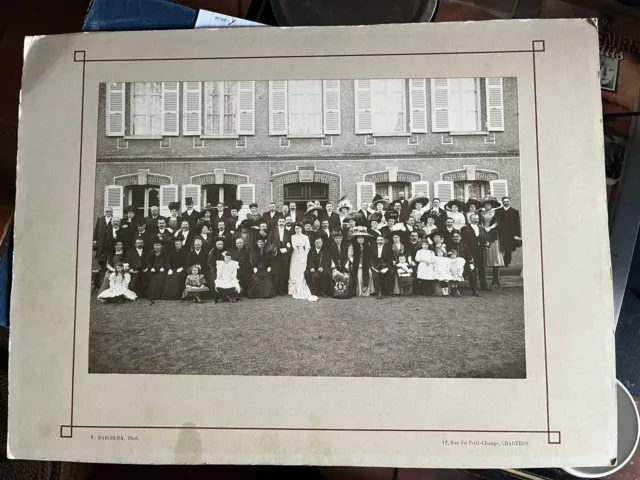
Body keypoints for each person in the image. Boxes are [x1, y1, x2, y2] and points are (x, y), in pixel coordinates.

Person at [287, 223, 318, 301]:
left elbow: (307, 248)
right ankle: (293, 290)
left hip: (303, 254)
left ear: (301, 229)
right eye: (296, 228)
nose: (297, 230)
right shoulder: (292, 237)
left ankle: (301, 289)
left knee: (301, 272)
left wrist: (304, 257)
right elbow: (293, 246)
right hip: (294, 255)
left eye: (299, 228)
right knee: (294, 271)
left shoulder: (305, 237)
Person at [480, 196, 504, 287]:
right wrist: (483, 228)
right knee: (484, 255)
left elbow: (497, 222)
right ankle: (483, 280)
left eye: (488, 204)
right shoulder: (480, 213)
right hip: (483, 233)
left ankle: (495, 279)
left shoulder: (495, 213)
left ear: (491, 205)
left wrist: (490, 228)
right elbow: (479, 221)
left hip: (493, 234)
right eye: (485, 205)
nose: (487, 206)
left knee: (494, 255)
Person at [461, 213, 489, 292]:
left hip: (481, 251)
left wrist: (487, 243)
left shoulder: (482, 228)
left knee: (482, 268)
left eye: (477, 218)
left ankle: (484, 286)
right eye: (474, 218)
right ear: (470, 219)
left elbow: (486, 238)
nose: (476, 220)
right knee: (472, 268)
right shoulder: (465, 229)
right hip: (471, 251)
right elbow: (463, 241)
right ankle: (473, 286)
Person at [266, 218, 291, 295]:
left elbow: (290, 244)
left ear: (285, 223)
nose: (281, 223)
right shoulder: (273, 231)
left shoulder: (288, 232)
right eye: (280, 221)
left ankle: (281, 290)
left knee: (283, 273)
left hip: (284, 255)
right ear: (277, 222)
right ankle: (274, 290)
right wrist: (274, 250)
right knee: (275, 273)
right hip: (275, 255)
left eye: (283, 221)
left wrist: (286, 249)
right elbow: (269, 243)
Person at [348, 227, 375, 297]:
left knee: (370, 273)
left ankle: (367, 291)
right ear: (356, 239)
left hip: (365, 263)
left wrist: (366, 263)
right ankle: (359, 292)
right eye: (359, 238)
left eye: (362, 238)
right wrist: (358, 263)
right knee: (359, 276)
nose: (361, 240)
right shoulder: (352, 246)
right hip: (356, 264)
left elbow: (369, 256)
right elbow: (350, 256)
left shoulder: (367, 245)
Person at [448, 231, 477, 296]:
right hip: (453, 264)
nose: (455, 238)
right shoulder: (449, 245)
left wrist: (471, 264)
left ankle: (474, 290)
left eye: (457, 236)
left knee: (472, 273)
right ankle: (455, 290)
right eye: (454, 236)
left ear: (460, 237)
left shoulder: (464, 245)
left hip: (464, 264)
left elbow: (469, 256)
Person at [496, 196, 521, 267]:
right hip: (501, 233)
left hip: (511, 234)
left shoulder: (515, 212)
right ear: (502, 202)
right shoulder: (498, 211)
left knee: (509, 249)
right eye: (504, 202)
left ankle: (506, 263)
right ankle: (500, 262)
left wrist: (517, 235)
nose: (506, 203)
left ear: (510, 202)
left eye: (507, 201)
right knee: (501, 248)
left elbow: (517, 224)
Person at [368, 233, 393, 299]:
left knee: (391, 273)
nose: (380, 241)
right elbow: (370, 258)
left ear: (384, 241)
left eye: (381, 240)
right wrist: (373, 267)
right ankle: (379, 292)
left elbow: (390, 259)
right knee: (375, 275)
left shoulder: (388, 248)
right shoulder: (372, 247)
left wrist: (387, 268)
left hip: (384, 265)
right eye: (378, 240)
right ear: (376, 241)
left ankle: (389, 290)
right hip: (375, 265)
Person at [93, 206, 114, 275]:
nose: (108, 213)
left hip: (110, 241)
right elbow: (96, 229)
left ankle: (109, 268)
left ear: (112, 212)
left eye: (110, 212)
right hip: (101, 240)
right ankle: (102, 268)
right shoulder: (100, 219)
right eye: (107, 211)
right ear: (105, 212)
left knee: (109, 254)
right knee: (101, 254)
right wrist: (95, 239)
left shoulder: (114, 219)